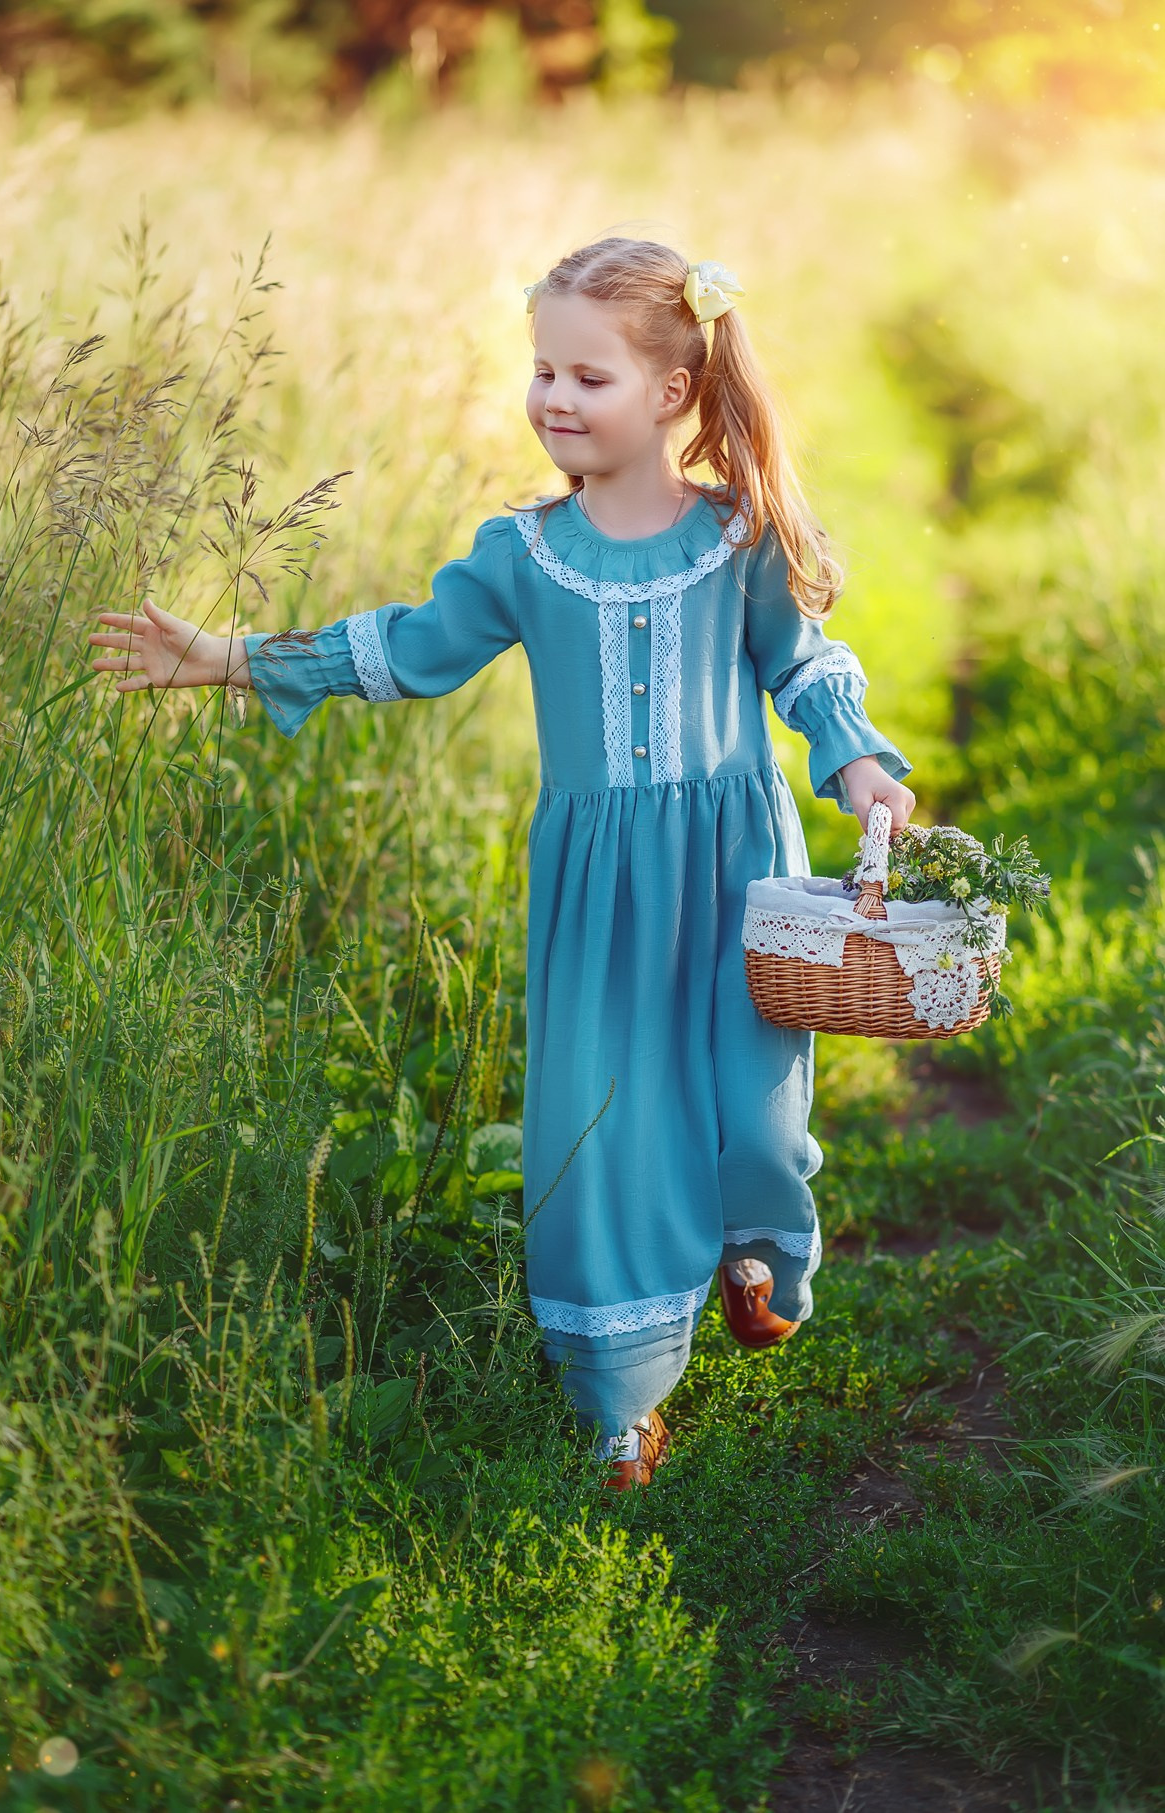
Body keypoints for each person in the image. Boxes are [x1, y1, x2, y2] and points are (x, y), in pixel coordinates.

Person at [89, 237, 915, 1493]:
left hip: (737, 871)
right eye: (541, 371)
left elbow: (806, 665)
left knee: (756, 1108)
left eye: (587, 376)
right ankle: (622, 1399)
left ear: (673, 393)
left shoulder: (738, 536)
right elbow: (407, 646)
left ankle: (753, 1253)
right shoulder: (523, 557)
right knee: (599, 1129)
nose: (553, 401)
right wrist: (232, 657)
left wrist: (854, 760)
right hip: (597, 894)